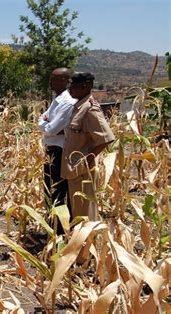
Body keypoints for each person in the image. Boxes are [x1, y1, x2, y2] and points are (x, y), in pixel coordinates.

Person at [61, 72, 115, 221]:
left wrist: (87, 160)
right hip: (73, 169)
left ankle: (86, 242)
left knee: (84, 213)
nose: (69, 89)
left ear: (85, 87)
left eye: (73, 86)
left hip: (82, 171)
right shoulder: (78, 107)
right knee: (76, 210)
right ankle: (78, 241)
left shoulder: (90, 110)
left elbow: (106, 138)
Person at [38, 68, 76, 233]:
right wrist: (46, 123)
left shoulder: (67, 102)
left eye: (54, 78)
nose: (50, 81)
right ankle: (54, 223)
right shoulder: (57, 100)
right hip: (51, 149)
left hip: (58, 152)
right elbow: (42, 120)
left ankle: (60, 228)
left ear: (64, 81)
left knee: (57, 189)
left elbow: (51, 129)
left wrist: (48, 124)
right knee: (49, 187)